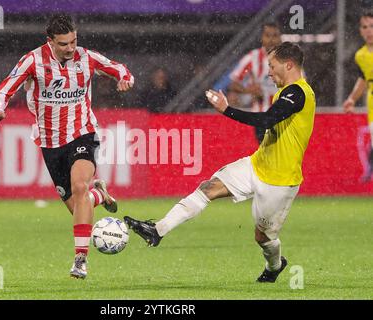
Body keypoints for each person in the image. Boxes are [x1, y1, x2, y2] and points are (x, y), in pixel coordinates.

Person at [125, 42, 315, 283]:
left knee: (262, 237)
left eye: (272, 66)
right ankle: (158, 230)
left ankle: (275, 265)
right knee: (209, 188)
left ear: (288, 65)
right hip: (257, 164)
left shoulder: (298, 92)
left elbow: (268, 119)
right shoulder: (285, 91)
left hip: (280, 180)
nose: (268, 72)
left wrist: (227, 110)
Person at [0, 15, 134, 279]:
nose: (71, 48)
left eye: (74, 41)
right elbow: (4, 89)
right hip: (50, 142)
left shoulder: (86, 58)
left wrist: (125, 79)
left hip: (83, 133)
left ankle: (80, 260)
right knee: (79, 204)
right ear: (50, 42)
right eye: (64, 43)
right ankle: (99, 195)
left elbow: (120, 68)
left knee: (80, 187)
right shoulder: (32, 61)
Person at [227, 22, 282, 143]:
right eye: (268, 35)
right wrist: (248, 91)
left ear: (280, 37)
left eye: (275, 35)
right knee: (270, 157)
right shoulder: (253, 58)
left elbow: (301, 85)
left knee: (284, 158)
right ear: (261, 38)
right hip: (262, 117)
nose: (271, 39)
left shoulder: (289, 58)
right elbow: (233, 83)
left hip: (285, 117)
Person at [343, 10, 373, 182]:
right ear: (360, 30)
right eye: (365, 27)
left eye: (372, 26)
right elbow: (363, 78)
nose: (369, 30)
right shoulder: (360, 55)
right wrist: (352, 99)